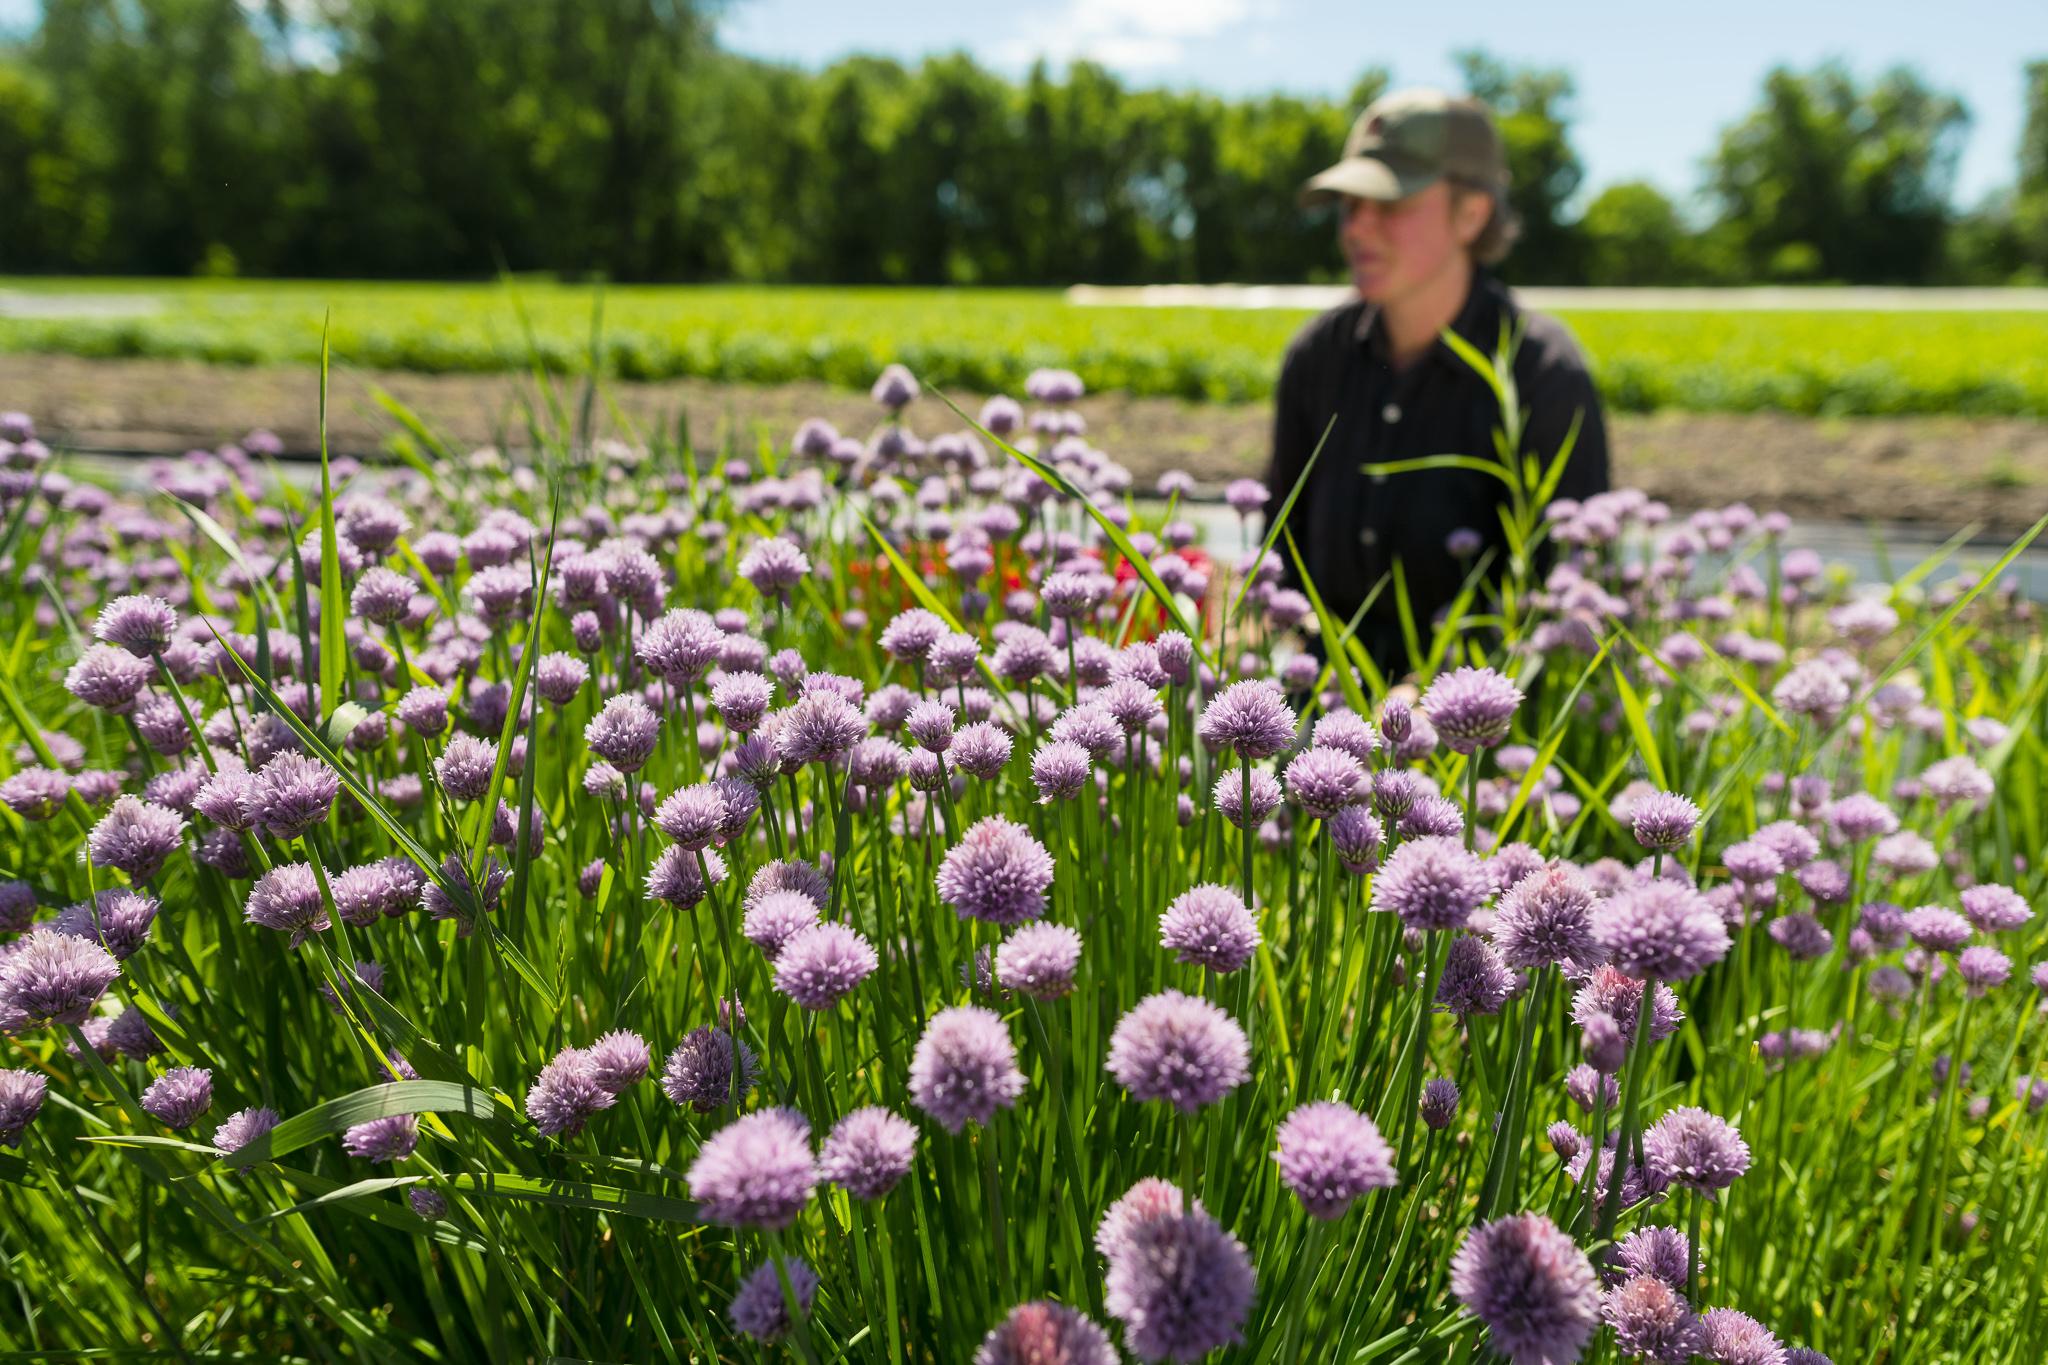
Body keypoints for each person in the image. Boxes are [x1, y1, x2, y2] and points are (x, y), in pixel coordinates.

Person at [1264, 87, 1610, 679]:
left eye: (1390, 203)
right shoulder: (1316, 358)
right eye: (1349, 204)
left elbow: (1568, 593)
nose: (1357, 226)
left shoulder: (1543, 376)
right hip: (1318, 710)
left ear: (1472, 213)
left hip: (1482, 732)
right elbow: (1280, 545)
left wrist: (1436, 703)